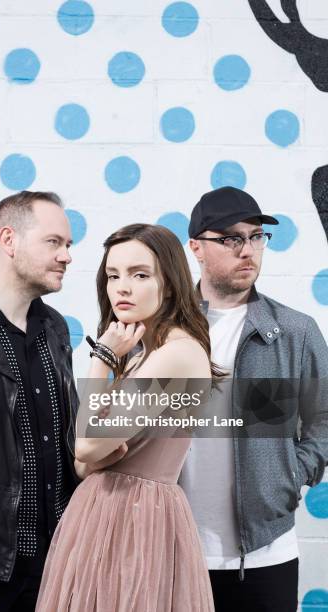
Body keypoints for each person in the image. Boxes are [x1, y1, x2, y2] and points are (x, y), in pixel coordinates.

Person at [0, 190, 123, 612]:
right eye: (54, 242)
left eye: (68, 245)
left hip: (57, 563)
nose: (67, 255)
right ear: (9, 240)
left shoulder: (53, 328)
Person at [35, 223, 216, 611]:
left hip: (138, 522)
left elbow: (85, 444)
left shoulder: (177, 355)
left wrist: (102, 357)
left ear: (169, 283)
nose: (122, 287)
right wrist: (93, 455)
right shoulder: (142, 355)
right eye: (113, 276)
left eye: (139, 274)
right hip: (105, 515)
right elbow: (85, 462)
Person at [179, 186, 328, 612]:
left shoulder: (295, 331)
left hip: (267, 553)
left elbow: (323, 418)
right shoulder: (164, 328)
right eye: (231, 239)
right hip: (174, 550)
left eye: (256, 236)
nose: (248, 250)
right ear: (197, 248)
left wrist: (292, 473)